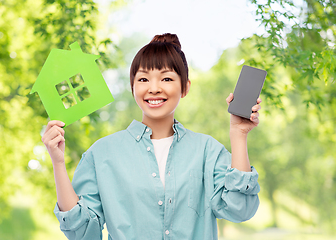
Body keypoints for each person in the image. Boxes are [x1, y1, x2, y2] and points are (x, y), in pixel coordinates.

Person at [42, 33, 261, 240]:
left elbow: (239, 209)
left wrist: (239, 134)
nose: (154, 88)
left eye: (166, 79)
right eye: (144, 79)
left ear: (185, 87)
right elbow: (81, 232)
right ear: (133, 87)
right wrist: (58, 163)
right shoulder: (101, 153)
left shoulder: (207, 151)